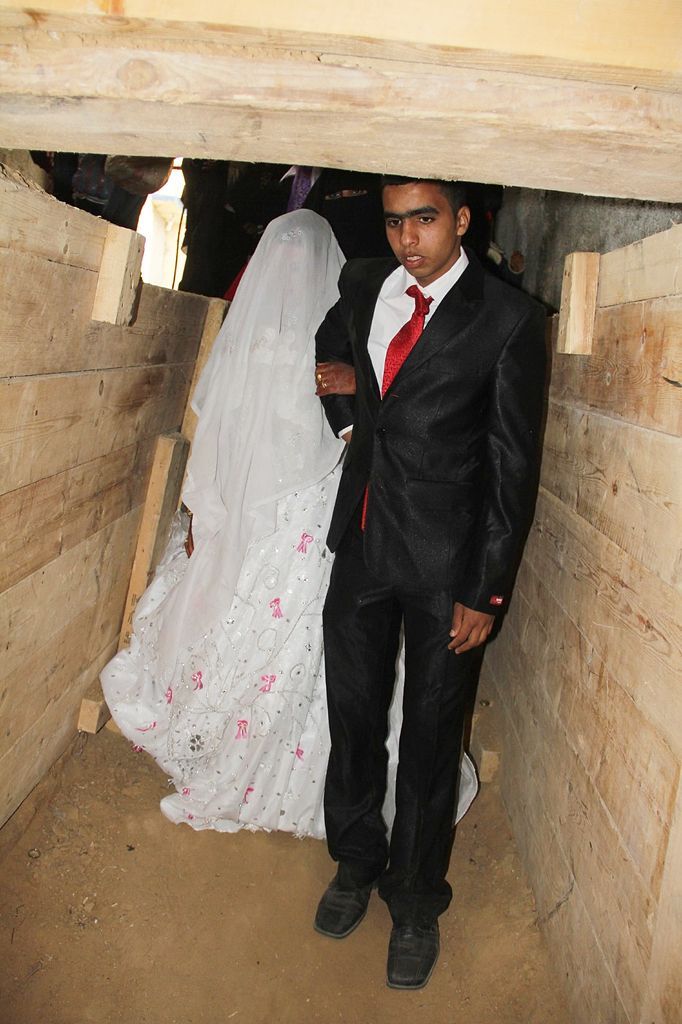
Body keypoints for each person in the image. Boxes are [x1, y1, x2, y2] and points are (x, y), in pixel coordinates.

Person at [101, 207, 478, 838]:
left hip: (307, 518)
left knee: (320, 640)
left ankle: (312, 768)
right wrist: (211, 509)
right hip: (291, 518)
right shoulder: (312, 348)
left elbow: (242, 438)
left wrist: (212, 504)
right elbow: (234, 441)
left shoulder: (326, 346)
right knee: (304, 638)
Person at [313, 177, 546, 989]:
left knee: (430, 733)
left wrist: (486, 591)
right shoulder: (362, 282)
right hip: (365, 542)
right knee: (351, 709)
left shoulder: (508, 319)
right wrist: (347, 412)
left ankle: (414, 899)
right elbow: (334, 348)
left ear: (461, 220)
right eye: (396, 221)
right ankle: (354, 860)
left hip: (449, 564)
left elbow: (514, 466)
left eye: (426, 218)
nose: (409, 237)